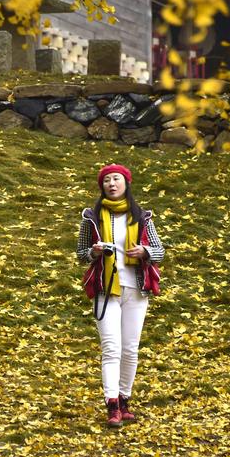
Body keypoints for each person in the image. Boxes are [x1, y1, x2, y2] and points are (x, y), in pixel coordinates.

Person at [77, 164, 165, 427]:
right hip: (105, 290)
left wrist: (145, 253)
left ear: (126, 183)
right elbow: (81, 254)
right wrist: (94, 252)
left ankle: (125, 400)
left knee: (130, 349)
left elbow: (160, 251)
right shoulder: (91, 217)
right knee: (111, 347)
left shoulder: (142, 216)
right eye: (106, 180)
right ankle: (112, 405)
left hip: (136, 289)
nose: (112, 184)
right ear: (101, 186)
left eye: (116, 179)